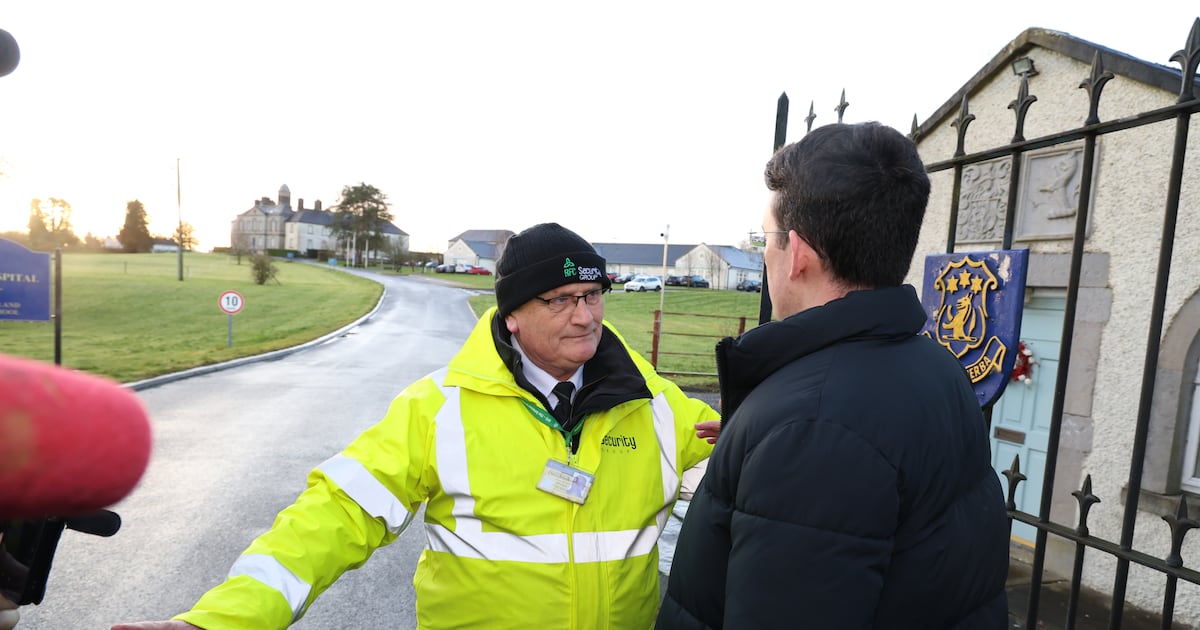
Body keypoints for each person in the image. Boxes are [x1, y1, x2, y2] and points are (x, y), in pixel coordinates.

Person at [113, 222, 718, 630]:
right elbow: (335, 516)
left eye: (593, 295)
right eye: (559, 300)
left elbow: (752, 451)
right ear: (510, 317)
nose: (585, 317)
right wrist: (221, 620)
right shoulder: (438, 408)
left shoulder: (656, 401)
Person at [657, 122, 1010, 629]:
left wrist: (782, 444)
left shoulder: (811, 427)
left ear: (796, 253)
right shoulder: (931, 362)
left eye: (767, 244)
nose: (766, 261)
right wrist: (754, 447)